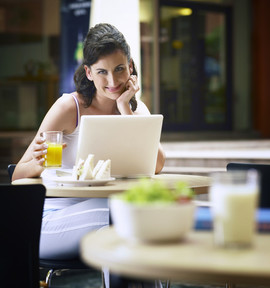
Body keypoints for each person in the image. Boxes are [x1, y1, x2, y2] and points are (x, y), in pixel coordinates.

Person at [13, 23, 166, 261]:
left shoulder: (136, 109)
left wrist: (124, 108)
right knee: (127, 215)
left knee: (136, 216)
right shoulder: (68, 107)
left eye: (119, 69)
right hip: (52, 219)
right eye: (102, 72)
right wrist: (38, 164)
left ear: (131, 67)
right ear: (89, 73)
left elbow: (156, 164)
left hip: (105, 213)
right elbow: (17, 175)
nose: (113, 80)